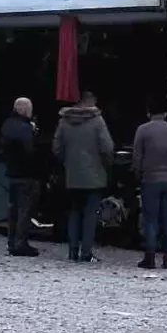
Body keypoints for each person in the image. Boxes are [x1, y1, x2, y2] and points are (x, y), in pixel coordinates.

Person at [53, 91, 114, 263]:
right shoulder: (97, 121)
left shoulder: (64, 121)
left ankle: (72, 251)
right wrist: (106, 165)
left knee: (73, 213)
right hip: (94, 175)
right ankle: (86, 252)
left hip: (72, 175)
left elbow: (56, 148)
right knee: (90, 214)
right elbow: (107, 148)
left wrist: (66, 163)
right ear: (91, 101)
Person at [132, 98, 167, 269]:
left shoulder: (143, 130)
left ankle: (150, 257)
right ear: (166, 113)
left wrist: (137, 174)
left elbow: (137, 157)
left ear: (149, 113)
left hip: (150, 179)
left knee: (151, 219)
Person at [1, 97, 40, 257]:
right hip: (26, 175)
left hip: (11, 173)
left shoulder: (7, 125)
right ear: (24, 110)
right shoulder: (25, 128)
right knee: (25, 211)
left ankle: (11, 242)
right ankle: (20, 243)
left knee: (13, 211)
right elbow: (30, 152)